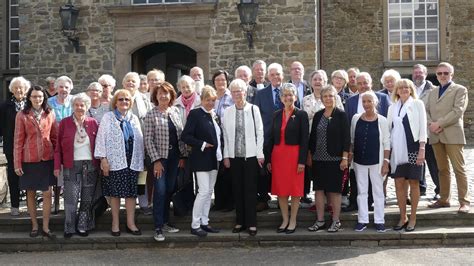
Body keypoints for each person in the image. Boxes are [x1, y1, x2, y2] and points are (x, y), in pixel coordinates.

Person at [95, 89, 144, 237]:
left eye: (127, 99)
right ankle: (115, 224)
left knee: (131, 194)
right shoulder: (108, 117)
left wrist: (141, 162)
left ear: (131, 103)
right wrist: (103, 159)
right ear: (115, 102)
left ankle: (131, 223)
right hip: (115, 161)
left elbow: (140, 141)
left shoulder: (134, 118)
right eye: (121, 99)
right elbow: (100, 138)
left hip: (133, 162)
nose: (124, 102)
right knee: (115, 194)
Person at [144, 82, 186, 242]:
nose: (163, 96)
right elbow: (148, 139)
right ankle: (158, 227)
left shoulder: (175, 112)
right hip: (160, 159)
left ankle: (166, 221)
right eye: (160, 93)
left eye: (166, 93)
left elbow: (180, 137)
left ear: (171, 96)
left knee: (169, 189)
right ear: (155, 96)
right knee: (160, 190)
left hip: (175, 157)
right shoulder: (151, 114)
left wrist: (182, 157)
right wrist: (156, 160)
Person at [343, 72, 391, 212]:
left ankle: (372, 203)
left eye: (365, 83)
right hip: (357, 146)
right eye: (360, 83)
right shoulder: (351, 101)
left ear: (371, 83)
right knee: (356, 176)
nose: (363, 86)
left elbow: (387, 122)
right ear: (356, 85)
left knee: (375, 180)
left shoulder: (382, 98)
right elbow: (348, 124)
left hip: (376, 147)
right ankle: (354, 202)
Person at [14, 85, 57, 239]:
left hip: (47, 158)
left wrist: (57, 160)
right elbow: (18, 141)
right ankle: (34, 225)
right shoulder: (22, 115)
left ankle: (46, 227)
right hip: (29, 159)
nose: (37, 99)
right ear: (29, 98)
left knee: (47, 193)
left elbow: (54, 137)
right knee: (30, 192)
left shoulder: (49, 113)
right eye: (34, 96)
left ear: (44, 98)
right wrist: (17, 163)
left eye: (40, 96)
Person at [222, 79, 264, 236]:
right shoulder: (228, 112)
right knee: (237, 190)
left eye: (240, 90)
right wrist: (226, 156)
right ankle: (240, 221)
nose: (237, 94)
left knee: (250, 190)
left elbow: (260, 132)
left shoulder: (254, 109)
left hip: (251, 156)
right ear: (231, 94)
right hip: (234, 156)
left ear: (245, 92)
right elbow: (225, 135)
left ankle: (252, 223)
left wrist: (260, 153)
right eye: (234, 91)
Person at [54, 93, 99, 238]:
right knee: (70, 198)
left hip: (90, 165)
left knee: (87, 198)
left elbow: (99, 145)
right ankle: (69, 227)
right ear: (72, 106)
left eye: (82, 105)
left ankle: (82, 226)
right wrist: (56, 166)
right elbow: (57, 148)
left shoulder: (93, 123)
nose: (79, 107)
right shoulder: (65, 123)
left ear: (87, 106)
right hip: (70, 165)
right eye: (76, 105)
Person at [427, 62, 470, 213]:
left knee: (459, 169)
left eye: (446, 73)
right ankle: (444, 199)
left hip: (452, 134)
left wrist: (439, 123)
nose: (443, 76)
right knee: (442, 169)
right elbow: (424, 110)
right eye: (440, 73)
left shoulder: (460, 90)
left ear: (451, 74)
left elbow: (458, 111)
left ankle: (464, 202)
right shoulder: (432, 92)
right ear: (436, 75)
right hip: (435, 135)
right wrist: (430, 124)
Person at [268, 83, 309, 234]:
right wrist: (268, 160)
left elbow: (305, 140)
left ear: (295, 97)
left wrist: (302, 161)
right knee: (282, 190)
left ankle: (293, 220)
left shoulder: (301, 114)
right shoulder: (276, 115)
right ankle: (284, 219)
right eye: (285, 95)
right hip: (278, 156)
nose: (288, 97)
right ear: (281, 98)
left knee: (295, 189)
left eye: (290, 94)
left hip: (294, 156)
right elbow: (271, 138)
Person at [308, 86, 350, 233]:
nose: (328, 99)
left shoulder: (341, 115)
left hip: (336, 159)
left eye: (330, 96)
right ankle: (320, 220)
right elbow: (312, 137)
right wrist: (310, 155)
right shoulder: (318, 115)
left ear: (335, 97)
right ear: (321, 98)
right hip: (318, 159)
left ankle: (336, 221)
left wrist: (345, 158)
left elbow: (346, 138)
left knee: (334, 191)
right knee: (319, 190)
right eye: (325, 96)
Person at [182, 86, 222, 237]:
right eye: (208, 100)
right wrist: (203, 144)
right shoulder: (195, 114)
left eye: (213, 100)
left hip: (214, 158)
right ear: (202, 100)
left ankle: (205, 222)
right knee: (203, 191)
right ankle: (195, 224)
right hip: (201, 158)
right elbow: (186, 136)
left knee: (209, 192)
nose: (210, 103)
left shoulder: (214, 114)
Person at [388, 79, 427, 232]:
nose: (404, 89)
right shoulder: (392, 107)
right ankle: (402, 216)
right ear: (396, 91)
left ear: (411, 90)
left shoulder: (417, 104)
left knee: (414, 182)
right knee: (398, 182)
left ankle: (413, 217)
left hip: (414, 147)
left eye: (407, 87)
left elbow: (423, 127)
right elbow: (389, 130)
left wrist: (422, 148)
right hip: (397, 150)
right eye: (401, 87)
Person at [350, 91, 390, 232]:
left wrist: (386, 162)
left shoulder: (382, 120)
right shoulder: (356, 118)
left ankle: (379, 220)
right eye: (364, 102)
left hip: (376, 161)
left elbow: (386, 143)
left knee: (378, 192)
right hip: (359, 161)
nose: (366, 104)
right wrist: (349, 157)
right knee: (362, 192)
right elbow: (352, 141)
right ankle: (362, 220)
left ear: (375, 102)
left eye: (369, 101)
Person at [302, 71, 343, 206]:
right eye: (315, 79)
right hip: (311, 139)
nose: (318, 81)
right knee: (314, 173)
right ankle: (313, 199)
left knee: (330, 176)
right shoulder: (305, 100)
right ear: (311, 81)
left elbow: (340, 118)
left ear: (325, 82)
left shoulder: (332, 98)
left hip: (330, 142)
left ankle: (330, 203)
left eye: (321, 79)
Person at [254, 62, 285, 211]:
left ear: (282, 75)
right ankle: (263, 198)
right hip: (266, 138)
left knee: (282, 170)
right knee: (263, 170)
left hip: (284, 140)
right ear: (268, 76)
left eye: (278, 74)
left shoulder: (288, 92)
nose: (275, 77)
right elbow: (256, 116)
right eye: (272, 74)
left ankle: (282, 198)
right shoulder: (261, 94)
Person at [0, 76, 30, 216]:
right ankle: (15, 206)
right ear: (11, 90)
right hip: (11, 147)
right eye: (16, 88)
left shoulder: (31, 105)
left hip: (29, 147)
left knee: (30, 174)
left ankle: (31, 206)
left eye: (21, 88)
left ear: (26, 90)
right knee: (13, 175)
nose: (19, 90)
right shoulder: (5, 106)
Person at [412, 64, 440, 199]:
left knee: (433, 162)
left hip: (429, 132)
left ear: (426, 74)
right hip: (412, 133)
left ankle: (439, 189)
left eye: (420, 73)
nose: (417, 75)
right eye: (415, 72)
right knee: (417, 161)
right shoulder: (407, 89)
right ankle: (421, 188)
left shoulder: (434, 90)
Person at [212, 70, 234, 212]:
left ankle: (229, 202)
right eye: (218, 80)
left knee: (228, 172)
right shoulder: (211, 97)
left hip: (228, 138)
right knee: (216, 171)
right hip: (213, 140)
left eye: (223, 80)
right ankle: (218, 202)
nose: (220, 82)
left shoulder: (231, 98)